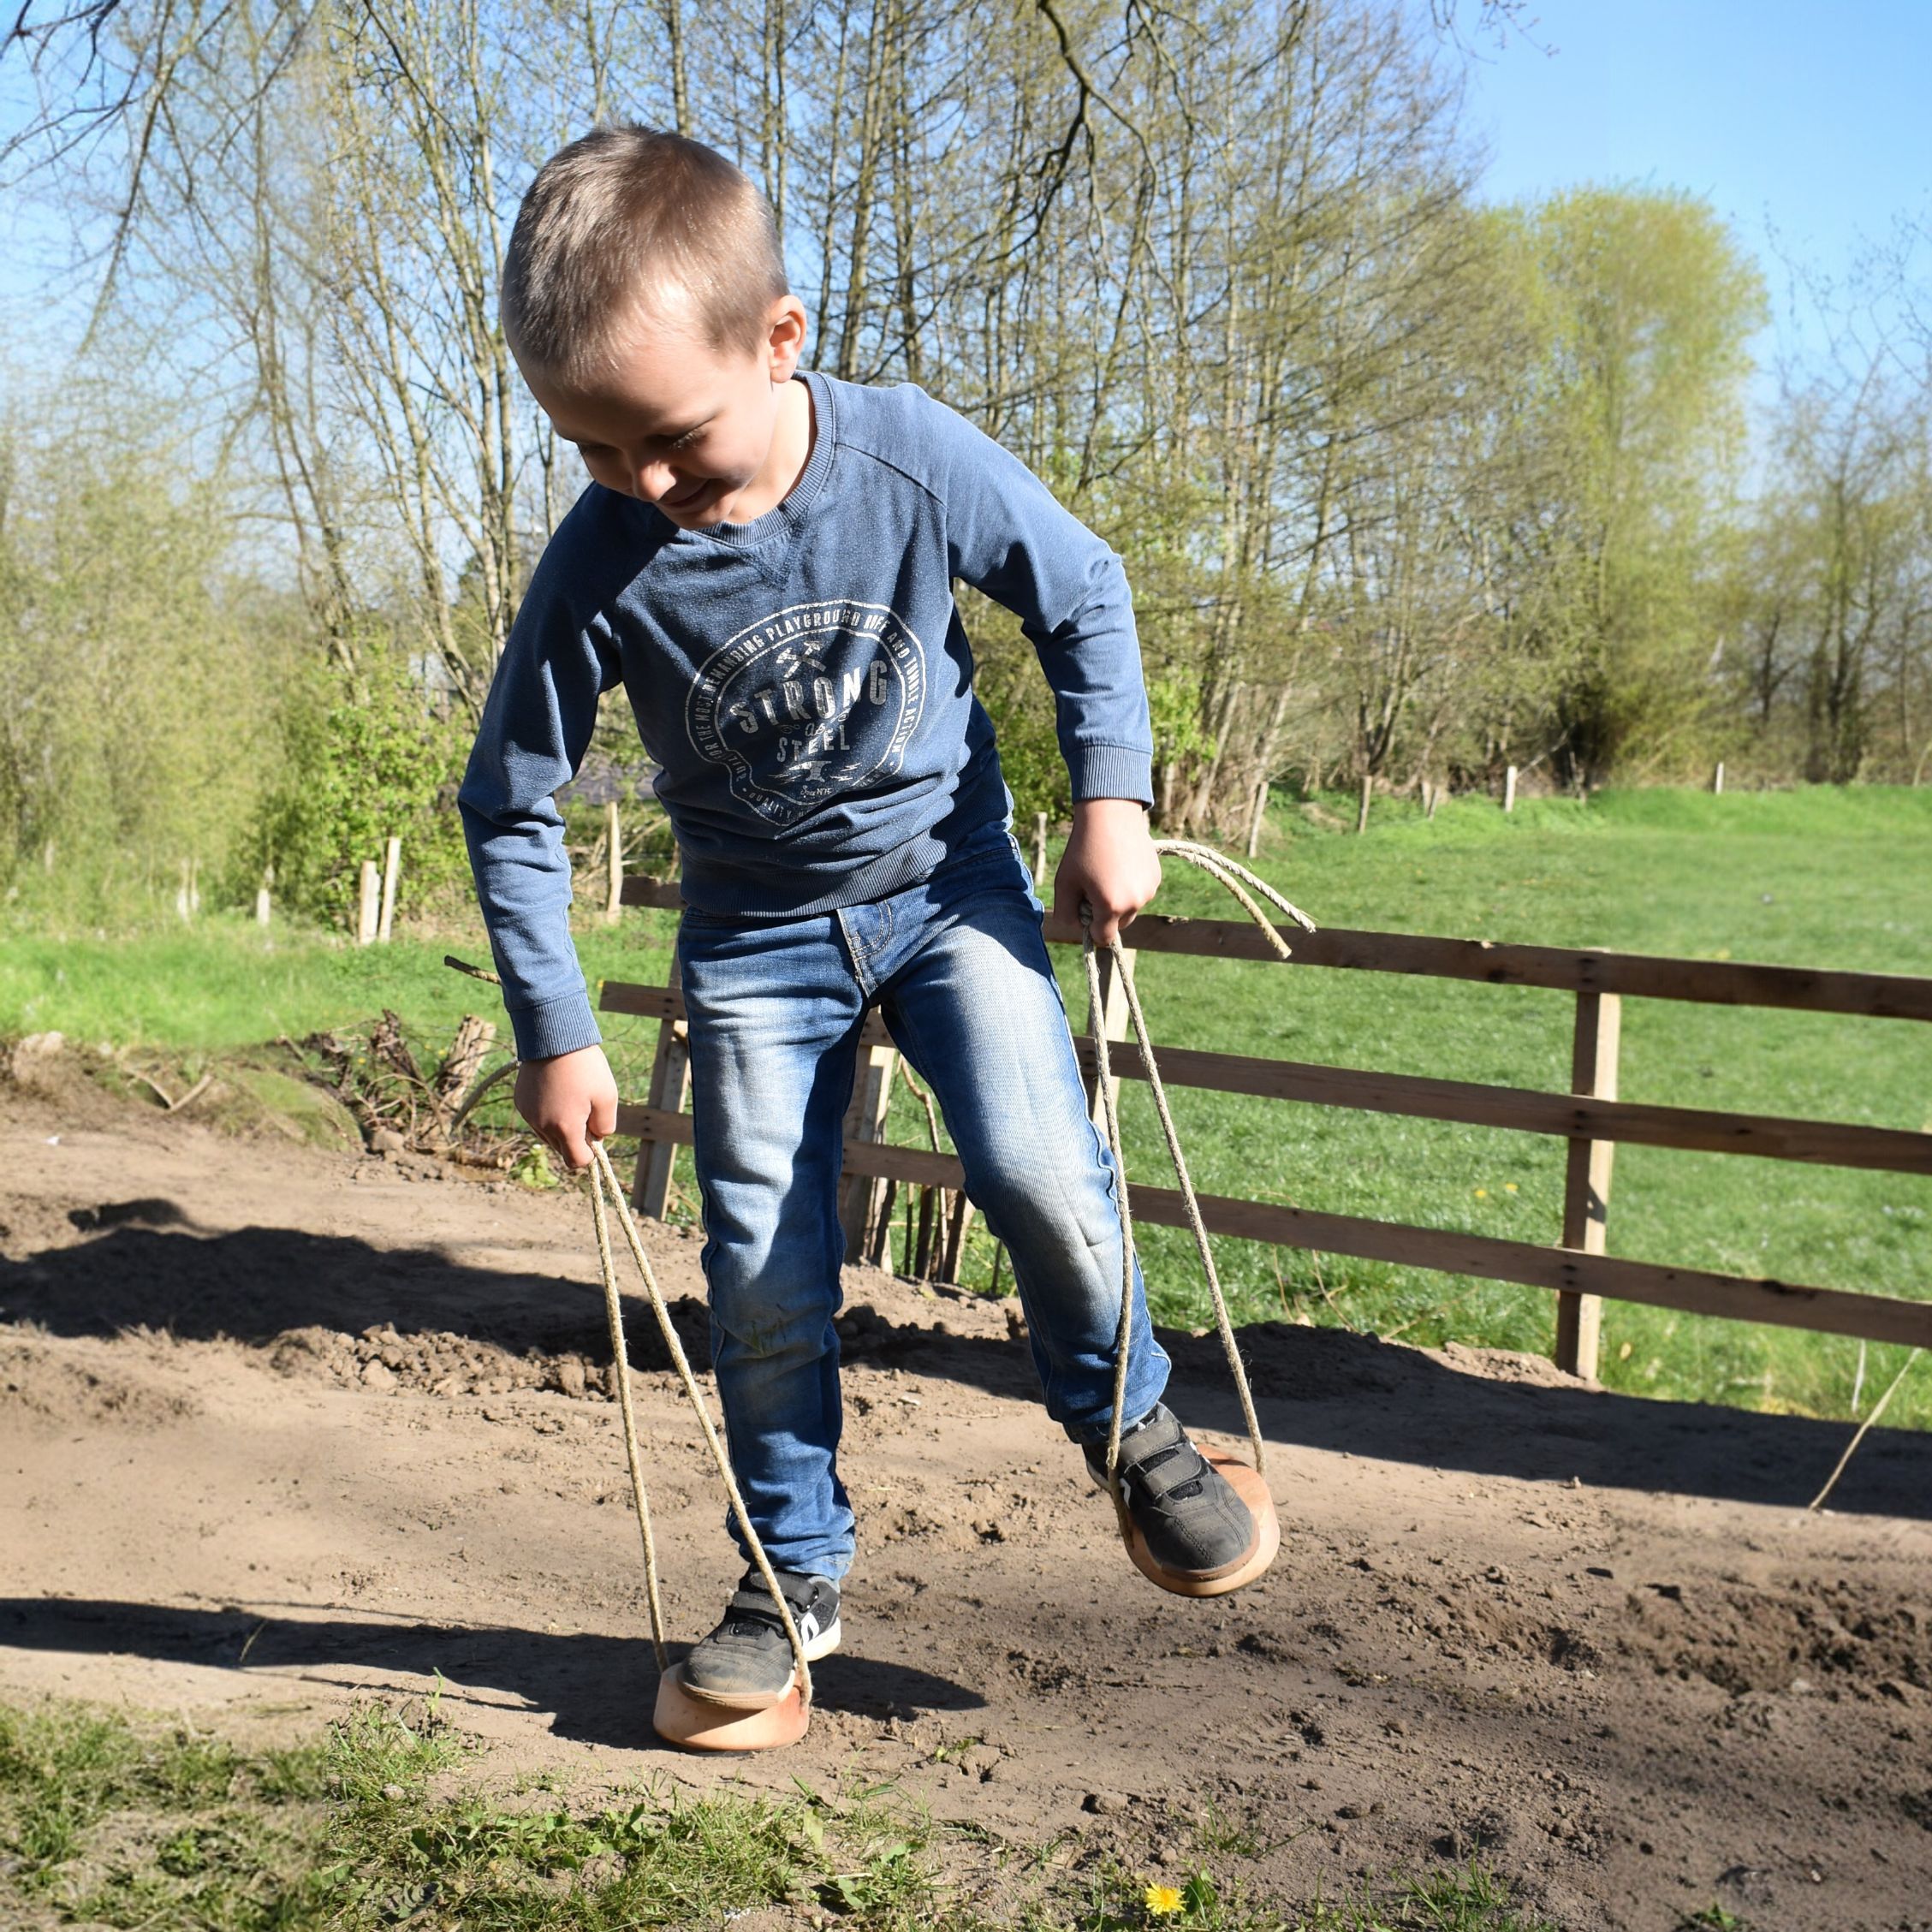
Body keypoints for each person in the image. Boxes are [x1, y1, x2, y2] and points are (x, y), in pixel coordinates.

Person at [461, 124, 1264, 1703]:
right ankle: (785, 1571)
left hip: (947, 887)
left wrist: (1113, 802)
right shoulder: (605, 558)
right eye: (597, 452)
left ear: (781, 340)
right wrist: (555, 1033)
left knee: (1039, 1161)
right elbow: (508, 796)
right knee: (760, 1266)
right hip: (755, 942)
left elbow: (1082, 588)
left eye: (672, 440)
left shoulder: (905, 455)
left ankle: (1132, 1425)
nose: (645, 484)